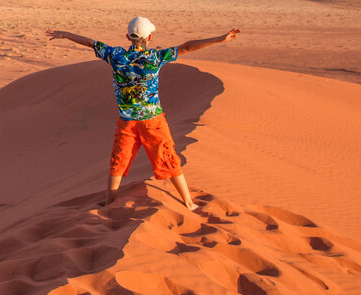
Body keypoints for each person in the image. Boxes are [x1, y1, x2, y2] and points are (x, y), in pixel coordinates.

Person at [45, 17, 240, 210]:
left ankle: (109, 201)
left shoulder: (115, 55)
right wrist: (219, 39)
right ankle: (188, 202)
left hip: (127, 122)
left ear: (127, 37)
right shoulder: (155, 58)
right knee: (167, 158)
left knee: (118, 161)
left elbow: (90, 43)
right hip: (152, 121)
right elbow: (187, 47)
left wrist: (66, 34)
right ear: (150, 37)